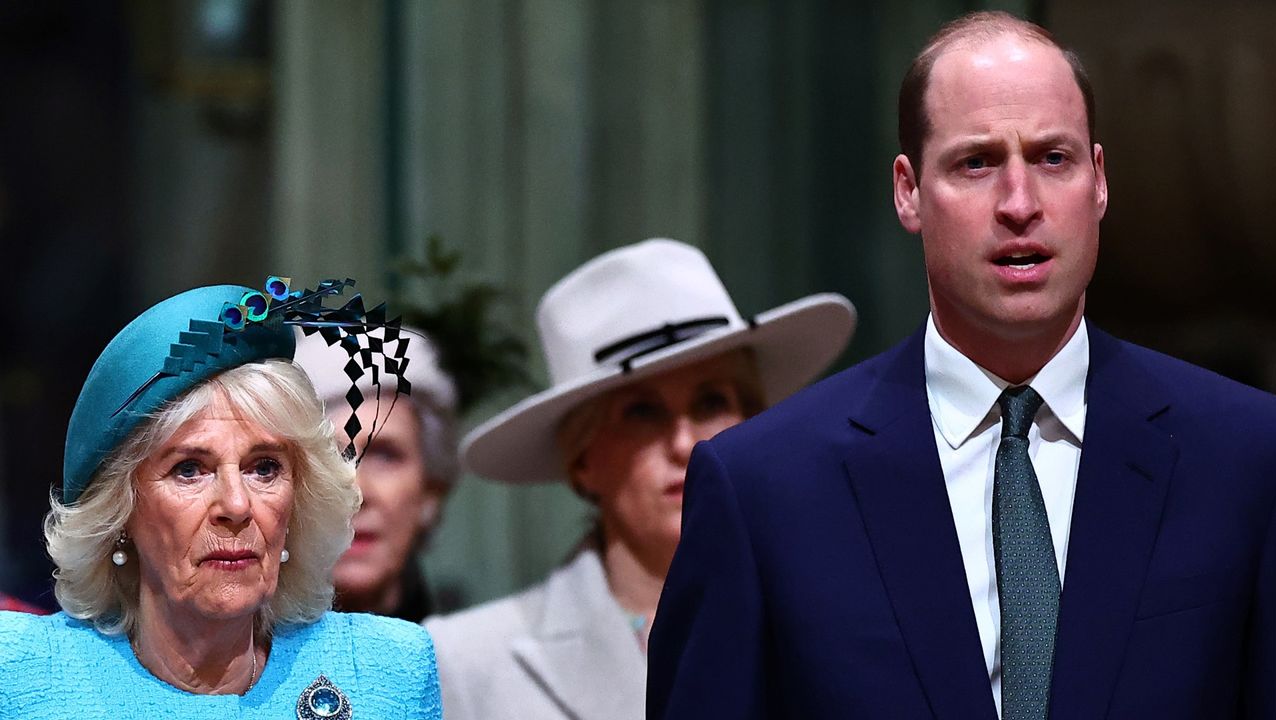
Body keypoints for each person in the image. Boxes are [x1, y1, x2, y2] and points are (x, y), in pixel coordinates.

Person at [648, 12, 1276, 720]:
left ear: (1098, 182)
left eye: (1052, 159)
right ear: (908, 191)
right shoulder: (763, 490)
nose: (1019, 204)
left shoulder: (1249, 459)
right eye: (976, 162)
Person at [426, 238, 855, 720]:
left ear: (752, 422)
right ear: (582, 459)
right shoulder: (463, 663)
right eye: (642, 412)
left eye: (711, 402)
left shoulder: (847, 625)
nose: (686, 444)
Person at [0, 281, 443, 718]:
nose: (236, 505)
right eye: (189, 469)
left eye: (264, 467)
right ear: (120, 512)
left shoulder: (388, 671)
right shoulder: (25, 675)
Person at [294, 328, 459, 621]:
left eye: (385, 455)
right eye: (325, 456)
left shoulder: (472, 658)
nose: (356, 493)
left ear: (431, 492)